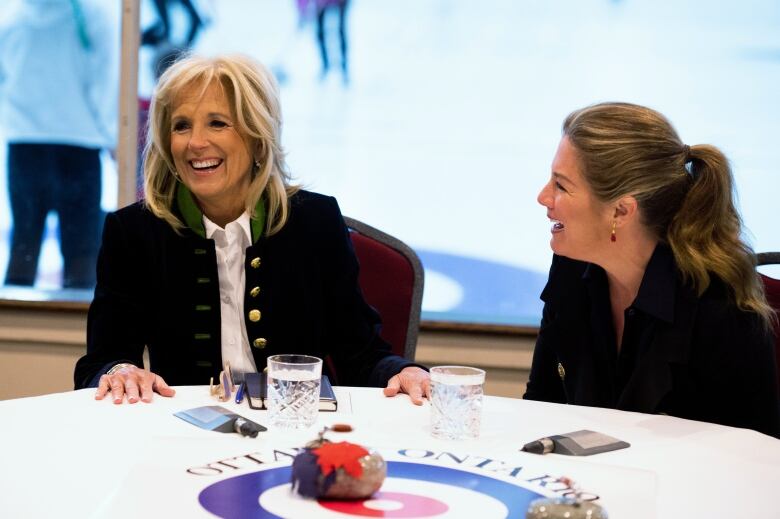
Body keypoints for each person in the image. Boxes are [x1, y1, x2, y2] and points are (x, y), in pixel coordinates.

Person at [74, 53, 429, 405]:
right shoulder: (134, 232)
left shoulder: (315, 221)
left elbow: (361, 353)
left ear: (258, 136)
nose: (195, 143)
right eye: (181, 125)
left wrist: (403, 370)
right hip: (185, 432)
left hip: (300, 427)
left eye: (217, 123)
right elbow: (101, 360)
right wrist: (121, 370)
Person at [525, 102, 779, 438]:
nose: (543, 197)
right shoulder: (572, 269)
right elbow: (542, 407)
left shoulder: (719, 305)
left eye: (561, 185)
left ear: (621, 210)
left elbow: (751, 458)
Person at [0, 0, 118, 288]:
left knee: (24, 248)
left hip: (27, 145)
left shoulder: (12, 17)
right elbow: (104, 82)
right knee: (80, 253)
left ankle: (12, 330)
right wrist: (113, 136)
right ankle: (83, 331)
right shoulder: (91, 17)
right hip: (78, 146)